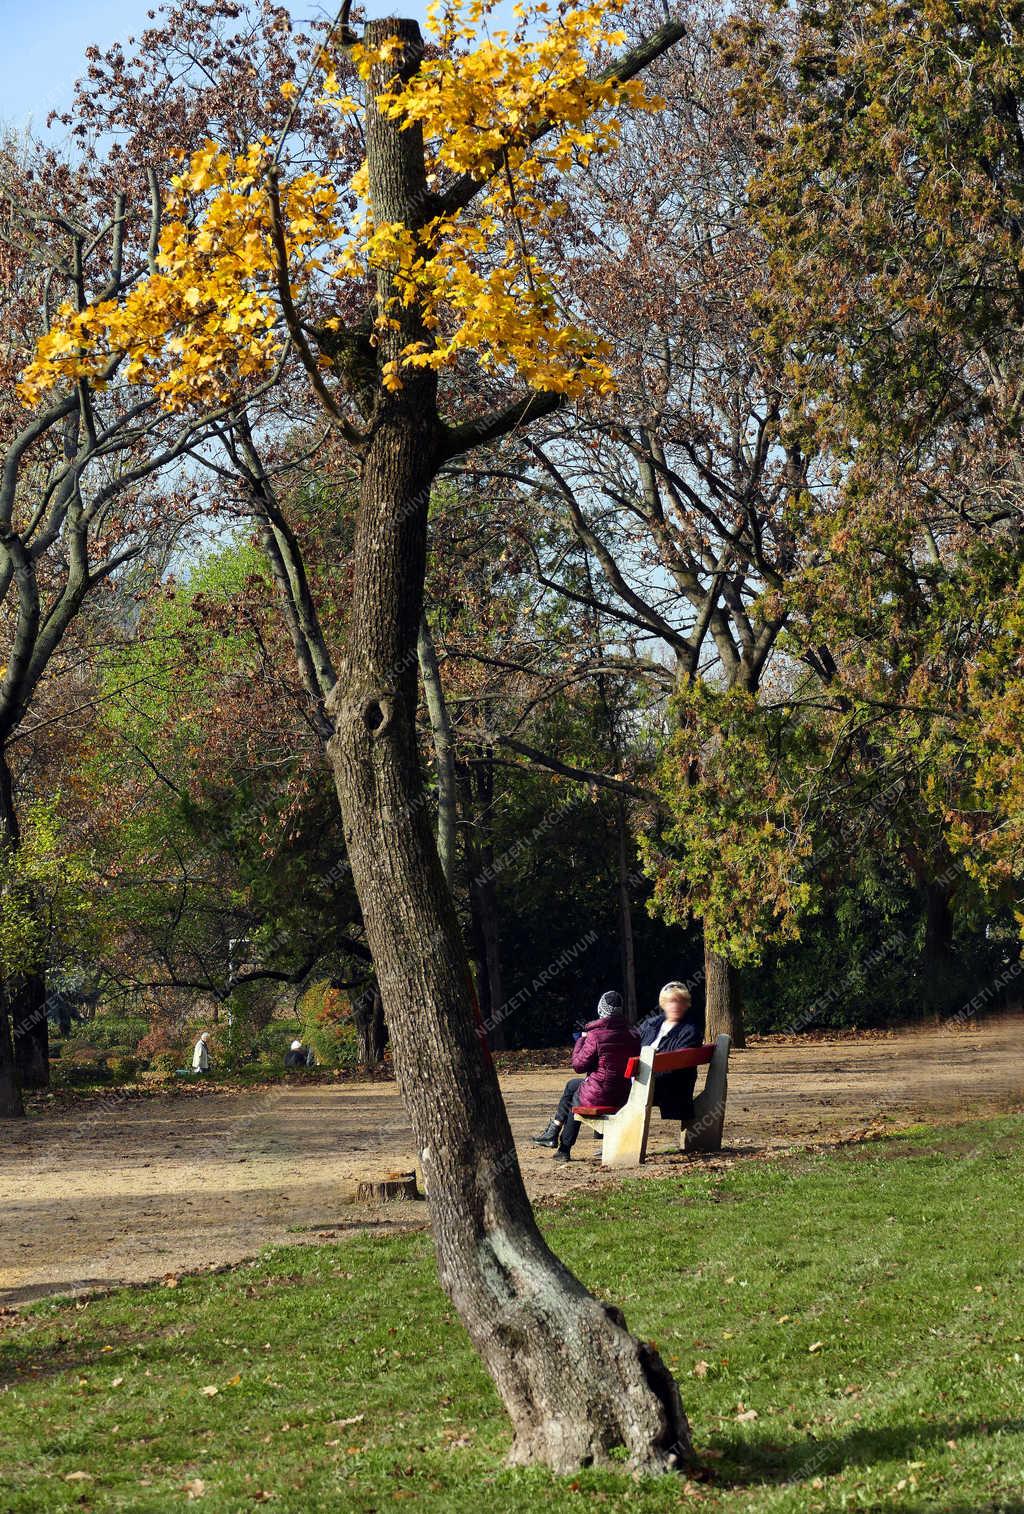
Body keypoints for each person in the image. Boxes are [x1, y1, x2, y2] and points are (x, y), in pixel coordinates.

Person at [531, 991, 640, 1163]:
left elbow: (579, 1066)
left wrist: (581, 1041)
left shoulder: (595, 1036)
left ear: (601, 1010)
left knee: (578, 1096)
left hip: (603, 1092)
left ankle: (564, 1149)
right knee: (572, 1085)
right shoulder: (633, 1034)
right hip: (623, 1093)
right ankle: (554, 1130)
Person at [637, 981, 702, 1125]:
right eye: (671, 1001)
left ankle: (607, 1139)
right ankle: (605, 1138)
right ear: (663, 1004)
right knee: (609, 1082)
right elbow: (631, 1044)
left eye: (681, 1001)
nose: (675, 1005)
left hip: (668, 1087)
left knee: (614, 1087)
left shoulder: (690, 1031)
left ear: (686, 1005)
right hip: (643, 1079)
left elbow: (677, 1064)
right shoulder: (650, 1024)